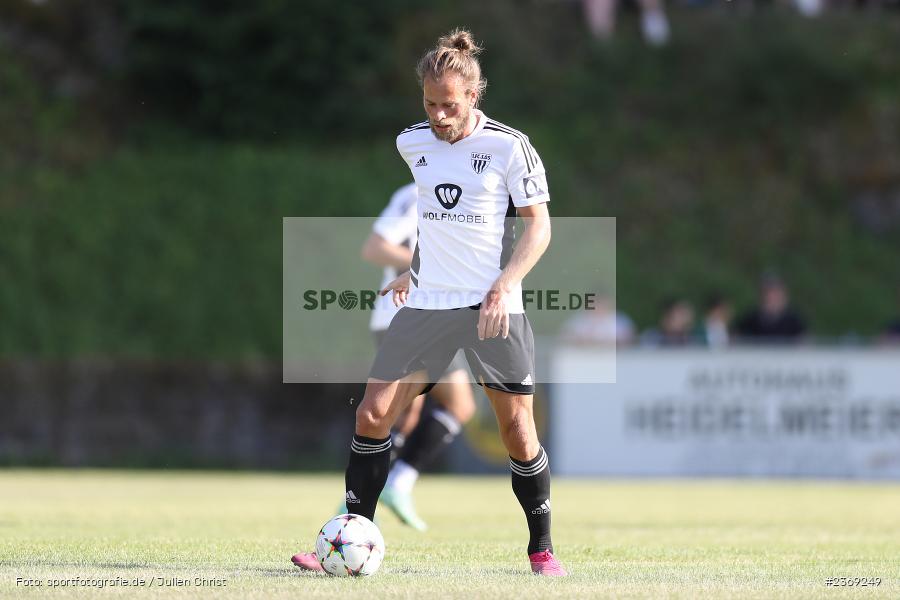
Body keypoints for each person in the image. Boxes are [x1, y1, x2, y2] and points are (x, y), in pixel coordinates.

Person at [292, 29, 565, 576]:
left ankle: (541, 549)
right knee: (372, 414)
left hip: (493, 310)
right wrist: (413, 271)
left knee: (517, 431)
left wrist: (504, 284)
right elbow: (436, 220)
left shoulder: (509, 146)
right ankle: (349, 540)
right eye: (429, 103)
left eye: (449, 105)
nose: (438, 115)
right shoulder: (411, 143)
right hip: (427, 306)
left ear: (473, 97)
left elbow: (539, 230)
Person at [358, 183, 477, 531]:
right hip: (406, 314)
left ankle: (372, 493)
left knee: (403, 415)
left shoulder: (460, 191)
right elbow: (375, 247)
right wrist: (428, 265)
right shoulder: (419, 193)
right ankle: (391, 486)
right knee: (459, 404)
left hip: (418, 316)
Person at [735, 274, 807, 343]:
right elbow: (737, 338)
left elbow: (804, 342)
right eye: (769, 294)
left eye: (776, 294)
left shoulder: (794, 321)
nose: (772, 298)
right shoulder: (750, 319)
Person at [559, 290, 635, 346]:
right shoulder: (579, 319)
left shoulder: (619, 320)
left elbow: (629, 339)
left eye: (601, 303)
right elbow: (564, 336)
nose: (598, 306)